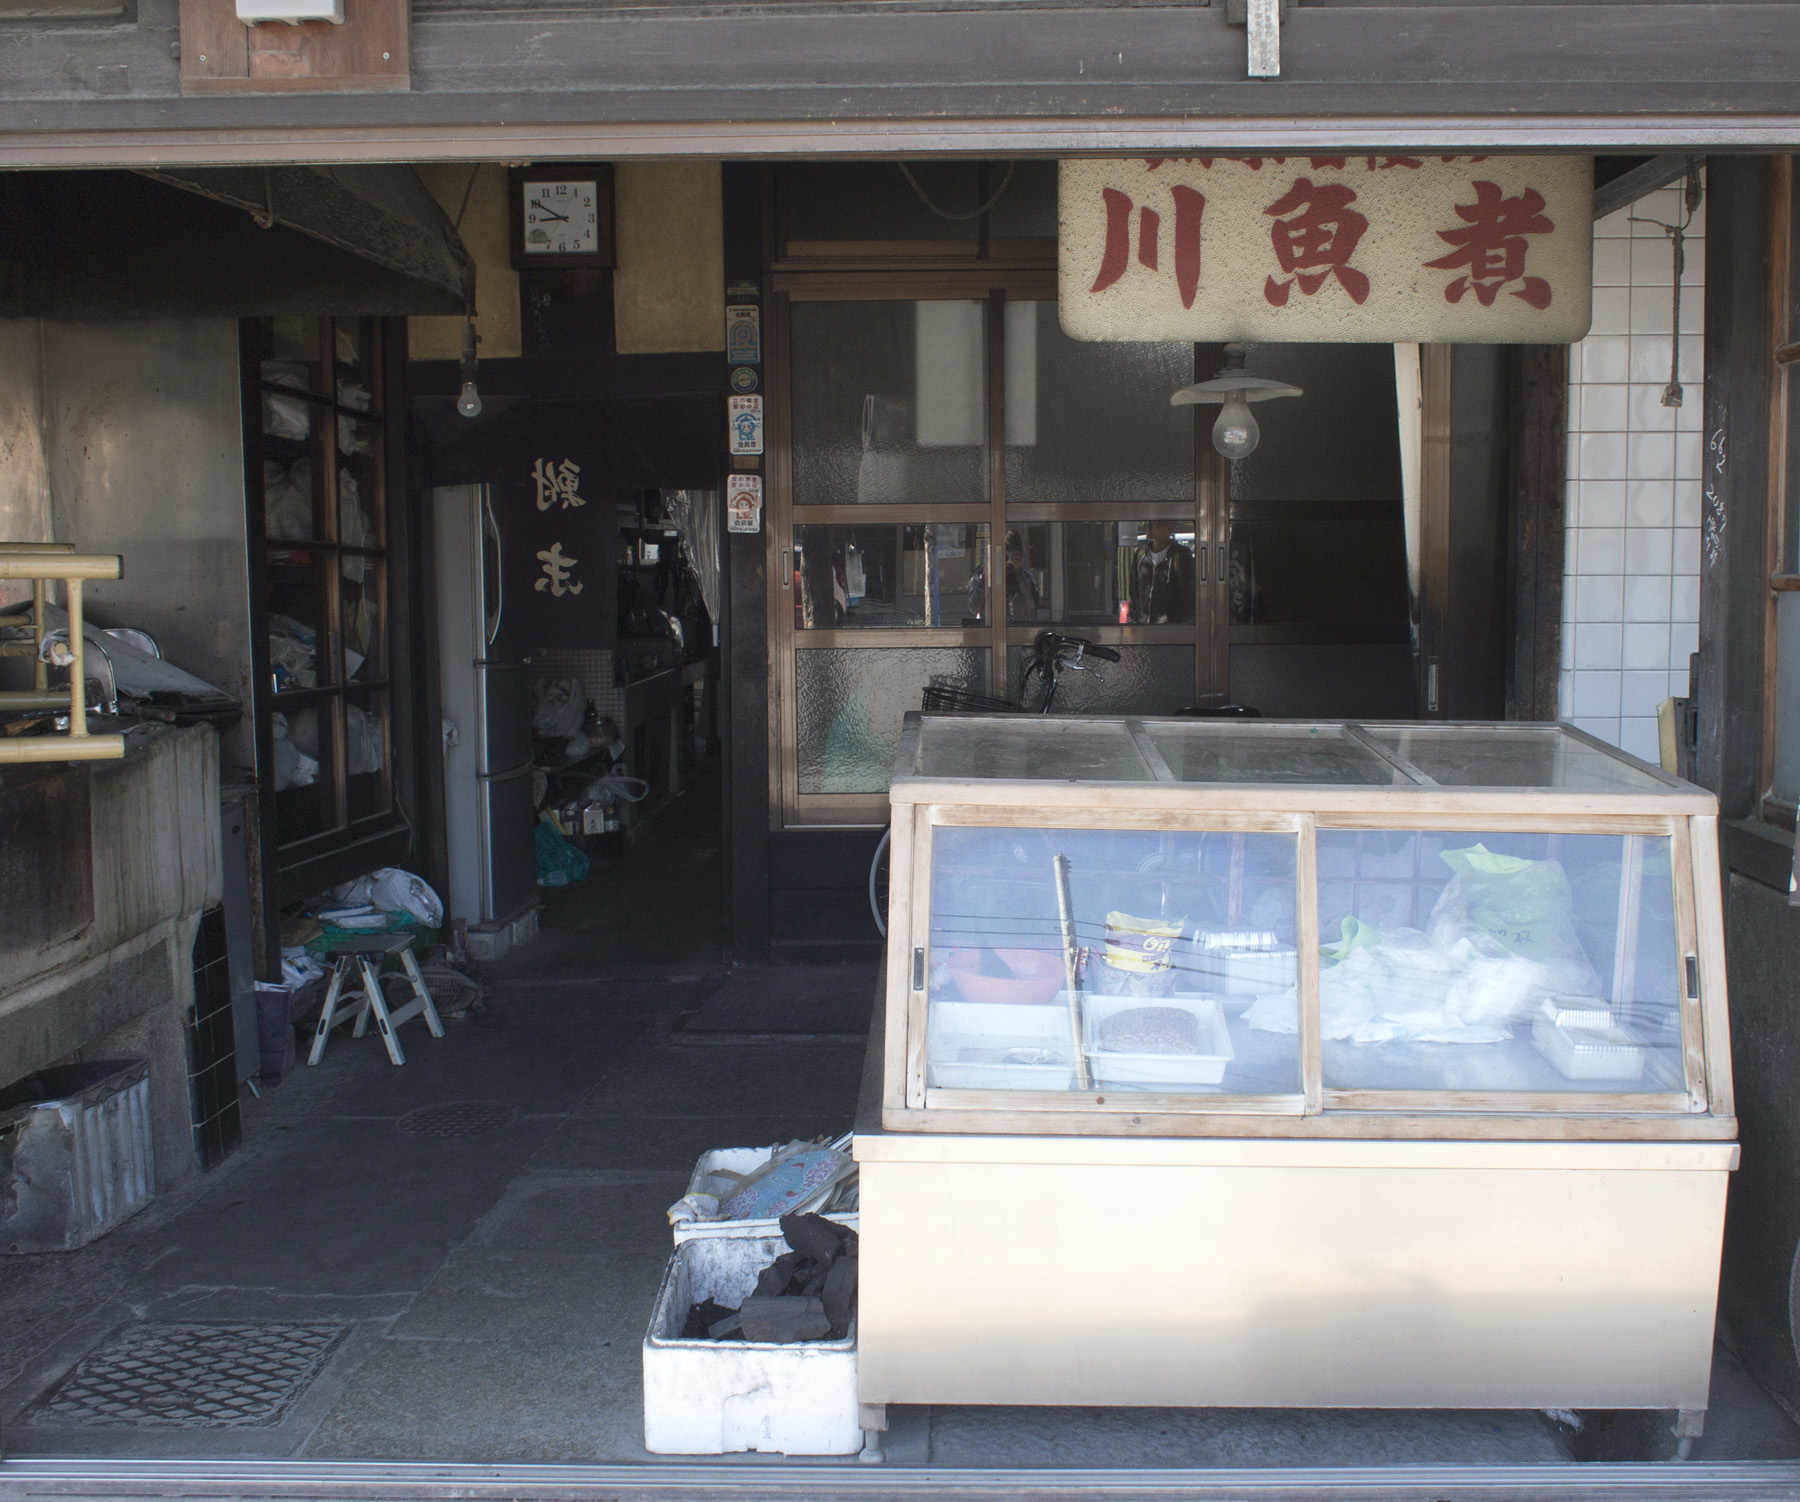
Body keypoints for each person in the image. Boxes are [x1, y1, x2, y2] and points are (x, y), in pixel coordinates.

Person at [967, 529, 1040, 623]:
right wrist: (985, 578)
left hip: (1018, 629)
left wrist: (1019, 573)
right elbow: (973, 608)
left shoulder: (1026, 576)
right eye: (1003, 553)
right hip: (991, 628)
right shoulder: (981, 574)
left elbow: (1032, 603)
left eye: (1011, 553)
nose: (1007, 559)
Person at [1129, 521, 1195, 624]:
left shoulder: (1181, 555)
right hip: (1143, 624)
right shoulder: (1140, 554)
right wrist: (1134, 619)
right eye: (1148, 523)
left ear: (1169, 527)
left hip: (1171, 627)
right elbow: (1133, 591)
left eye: (1154, 524)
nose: (1149, 527)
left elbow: (1188, 594)